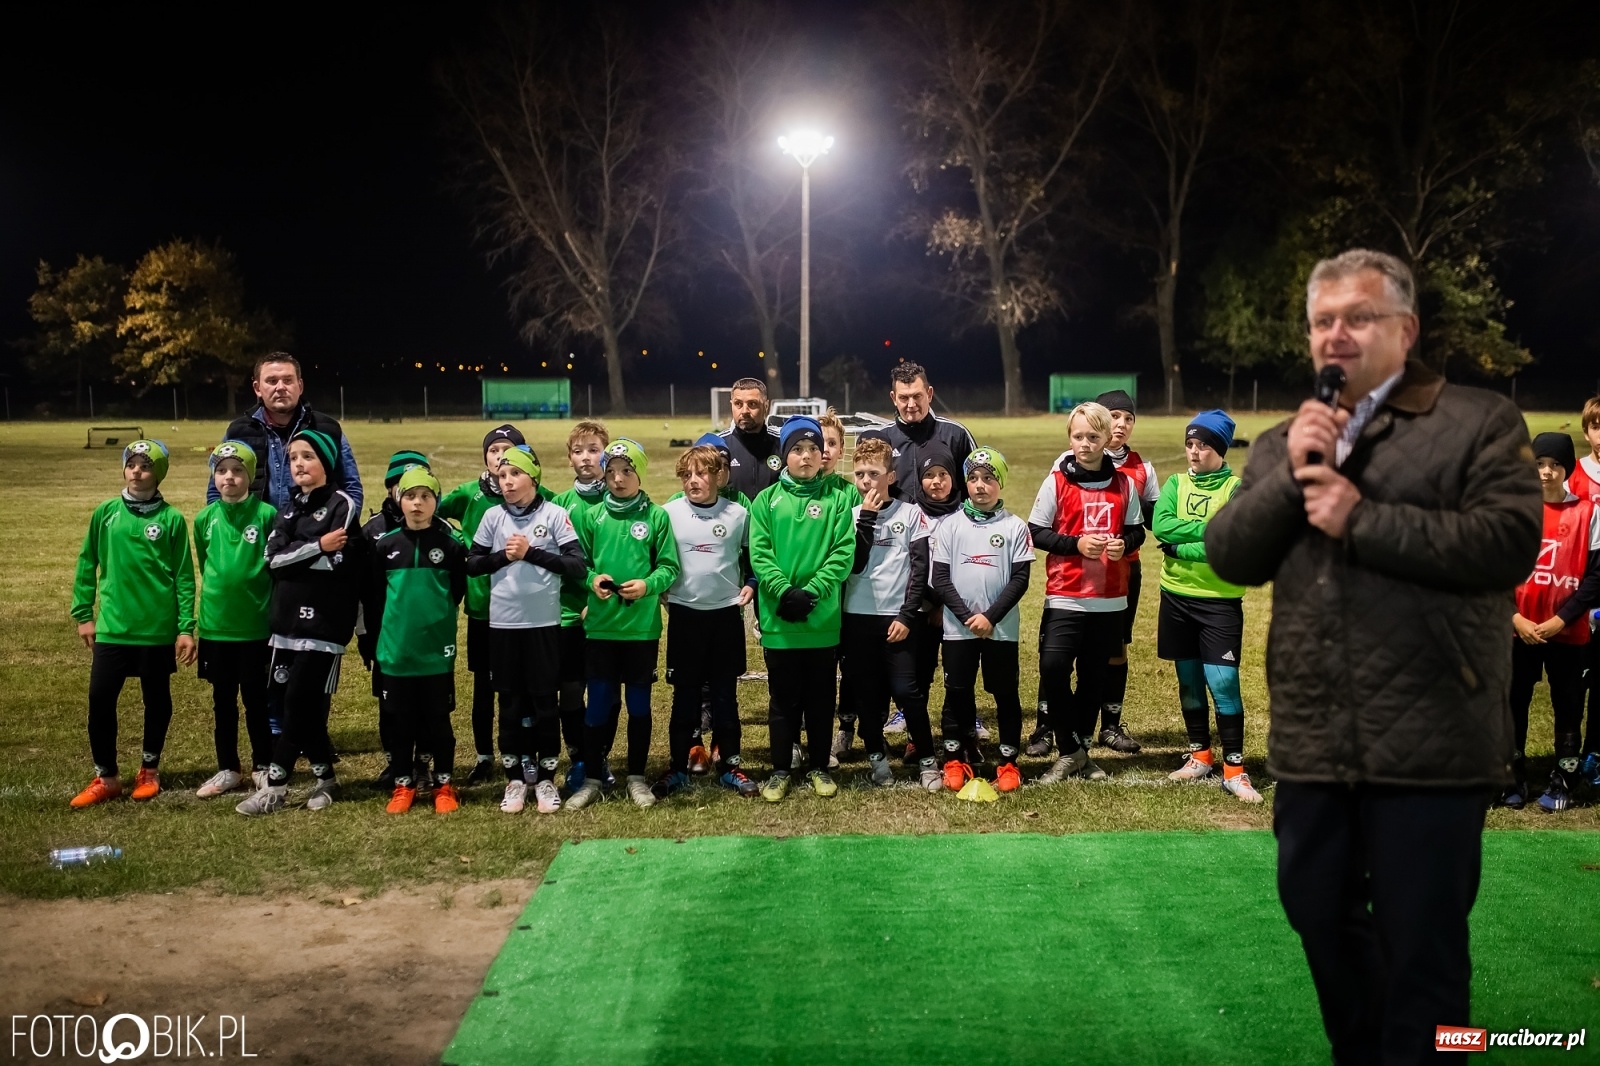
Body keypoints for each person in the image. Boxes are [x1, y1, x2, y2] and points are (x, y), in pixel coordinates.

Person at [1206, 248, 1542, 1062]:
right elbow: (1230, 554)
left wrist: (1364, 519)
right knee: (1317, 915)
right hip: (1316, 741)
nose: (1337, 335)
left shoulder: (1477, 421)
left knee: (1424, 951)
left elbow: (1508, 543)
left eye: (1358, 318)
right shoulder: (1288, 437)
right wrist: (1292, 475)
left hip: (1433, 739)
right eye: (1323, 321)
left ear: (1406, 329)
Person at [237, 429, 365, 816]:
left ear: (325, 462)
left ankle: (275, 786)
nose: (298, 464)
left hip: (322, 630)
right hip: (284, 626)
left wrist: (303, 556)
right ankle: (326, 778)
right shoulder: (288, 508)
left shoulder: (343, 504)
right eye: (293, 458)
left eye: (307, 456)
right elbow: (272, 560)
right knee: (287, 703)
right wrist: (316, 548)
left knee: (299, 702)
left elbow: (338, 563)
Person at [69, 440, 197, 807]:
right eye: (132, 464)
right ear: (124, 469)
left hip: (156, 629)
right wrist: (83, 614)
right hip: (113, 627)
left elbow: (184, 577)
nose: (138, 471)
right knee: (100, 699)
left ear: (159, 472)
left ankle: (149, 770)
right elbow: (86, 563)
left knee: (156, 700)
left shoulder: (171, 519)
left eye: (146, 465)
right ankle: (106, 777)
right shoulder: (105, 512)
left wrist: (185, 627)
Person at [1028, 402, 1145, 785]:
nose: (1084, 444)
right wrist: (1075, 545)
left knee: (1094, 678)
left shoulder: (1124, 484)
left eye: (1092, 437)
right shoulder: (1056, 481)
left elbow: (1137, 532)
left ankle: (1076, 754)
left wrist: (1122, 545)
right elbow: (1037, 531)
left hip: (1110, 598)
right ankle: (1072, 749)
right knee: (1054, 668)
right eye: (1077, 436)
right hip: (1065, 594)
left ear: (1105, 438)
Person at [465, 445, 584, 815]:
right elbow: (472, 564)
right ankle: (515, 779)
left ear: (533, 476)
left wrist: (531, 553)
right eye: (501, 476)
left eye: (514, 474)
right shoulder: (492, 518)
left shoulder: (555, 514)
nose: (507, 482)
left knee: (546, 703)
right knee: (511, 703)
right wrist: (505, 557)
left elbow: (576, 565)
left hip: (543, 625)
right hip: (502, 625)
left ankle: (546, 778)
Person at [1152, 411, 1261, 804]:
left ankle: (1235, 769)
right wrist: (1211, 530)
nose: (1194, 453)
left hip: (1219, 603)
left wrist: (1183, 546)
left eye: (1203, 446)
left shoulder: (1237, 488)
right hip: (1176, 597)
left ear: (1220, 449)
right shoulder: (1175, 483)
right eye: (1190, 444)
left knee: (1224, 682)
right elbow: (1160, 525)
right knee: (1190, 681)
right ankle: (1200, 755)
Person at [566, 439, 681, 810]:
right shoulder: (591, 516)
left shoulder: (656, 517)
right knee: (598, 705)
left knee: (639, 706)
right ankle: (593, 779)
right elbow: (578, 563)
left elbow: (669, 567)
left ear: (639, 473)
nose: (617, 479)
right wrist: (591, 580)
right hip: (601, 629)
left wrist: (648, 585)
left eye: (627, 471)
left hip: (640, 631)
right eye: (611, 471)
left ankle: (636, 778)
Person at [749, 416, 855, 801]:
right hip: (780, 618)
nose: (807, 456)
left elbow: (844, 552)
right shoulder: (766, 500)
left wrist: (811, 592)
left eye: (813, 449)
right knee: (782, 699)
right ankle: (780, 769)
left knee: (821, 697)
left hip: (821, 617)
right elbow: (760, 554)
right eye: (797, 449)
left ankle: (819, 767)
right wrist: (783, 592)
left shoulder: (837, 500)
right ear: (784, 457)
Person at [361, 467, 469, 815]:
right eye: (410, 496)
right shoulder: (385, 546)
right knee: (400, 721)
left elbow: (456, 592)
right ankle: (403, 785)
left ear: (436, 501)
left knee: (438, 721)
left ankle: (444, 785)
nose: (417, 503)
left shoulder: (451, 546)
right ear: (399, 499)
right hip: (396, 652)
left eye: (425, 496)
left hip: (435, 652)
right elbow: (376, 598)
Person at [1503, 432, 1600, 812]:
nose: (1546, 472)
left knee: (1568, 704)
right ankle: (1513, 778)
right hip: (1519, 629)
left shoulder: (1590, 512)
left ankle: (1563, 778)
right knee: (1513, 702)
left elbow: (1596, 577)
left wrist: (1562, 619)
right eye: (1539, 464)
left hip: (1568, 630)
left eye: (1555, 465)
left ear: (1567, 469)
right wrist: (1515, 617)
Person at [929, 448, 1034, 793]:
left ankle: (1007, 762)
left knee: (1005, 694)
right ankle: (954, 758)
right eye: (973, 479)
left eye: (989, 479)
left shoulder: (1015, 527)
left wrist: (989, 617)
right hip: (958, 630)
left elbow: (1020, 579)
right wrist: (967, 617)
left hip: (1000, 629)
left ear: (1000, 483)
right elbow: (941, 579)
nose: (980, 486)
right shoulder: (949, 526)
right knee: (956, 692)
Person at [659, 444, 759, 798]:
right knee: (684, 698)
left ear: (719, 476)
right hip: (685, 616)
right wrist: (659, 586)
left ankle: (730, 765)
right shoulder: (668, 514)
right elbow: (656, 559)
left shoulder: (736, 514)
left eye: (701, 473)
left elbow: (753, 557)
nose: (693, 481)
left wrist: (751, 584)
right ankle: (677, 766)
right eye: (687, 475)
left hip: (725, 616)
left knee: (724, 697)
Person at [840, 435, 939, 790]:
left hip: (897, 619)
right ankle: (878, 761)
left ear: (891, 477)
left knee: (907, 691)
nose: (866, 481)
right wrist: (865, 519)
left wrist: (907, 616)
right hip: (857, 619)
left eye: (874, 473)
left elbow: (919, 570)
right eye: (860, 474)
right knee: (866, 693)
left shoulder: (912, 515)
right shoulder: (849, 517)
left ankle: (928, 759)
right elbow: (853, 566)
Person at [439, 424, 527, 785]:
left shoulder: (536, 495)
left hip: (523, 610)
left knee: (519, 686)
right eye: (494, 450)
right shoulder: (468, 494)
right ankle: (484, 756)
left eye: (508, 449)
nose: (499, 456)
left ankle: (521, 751)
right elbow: (433, 513)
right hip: (482, 610)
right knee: (483, 688)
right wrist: (462, 538)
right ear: (485, 457)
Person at [192, 441, 277, 798]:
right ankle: (228, 767)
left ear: (250, 476)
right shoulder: (204, 518)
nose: (229, 477)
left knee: (257, 699)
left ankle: (262, 766)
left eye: (237, 470)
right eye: (222, 470)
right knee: (222, 700)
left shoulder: (268, 515)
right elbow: (205, 562)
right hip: (215, 627)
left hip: (256, 627)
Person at [208, 352, 362, 512]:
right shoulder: (238, 432)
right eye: (272, 381)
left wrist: (341, 527)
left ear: (300, 386)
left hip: (314, 532)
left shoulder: (326, 429)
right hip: (255, 534)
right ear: (257, 388)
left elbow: (351, 487)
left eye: (288, 380)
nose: (280, 387)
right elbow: (216, 488)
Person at [550, 420, 617, 785]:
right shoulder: (560, 505)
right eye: (579, 451)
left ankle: (601, 756)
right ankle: (579, 756)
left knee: (608, 691)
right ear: (570, 459)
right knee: (572, 691)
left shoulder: (624, 497)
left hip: (611, 615)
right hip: (570, 615)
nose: (587, 457)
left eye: (594, 450)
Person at [884, 444, 962, 752]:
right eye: (929, 475)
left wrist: (946, 605)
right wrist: (931, 604)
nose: (937, 481)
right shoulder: (912, 515)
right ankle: (918, 738)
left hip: (957, 610)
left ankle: (958, 732)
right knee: (920, 674)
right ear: (920, 480)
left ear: (954, 479)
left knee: (957, 676)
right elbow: (912, 565)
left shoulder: (964, 516)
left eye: (943, 474)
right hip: (922, 608)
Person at [363, 449, 433, 790]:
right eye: (400, 487)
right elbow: (364, 590)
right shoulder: (373, 531)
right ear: (391, 488)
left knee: (427, 707)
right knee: (390, 706)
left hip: (425, 639)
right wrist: (366, 635)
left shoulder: (441, 531)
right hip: (386, 636)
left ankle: (423, 764)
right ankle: (394, 763)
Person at [879, 361, 975, 503]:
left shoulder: (956, 435)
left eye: (917, 396)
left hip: (946, 523)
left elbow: (975, 486)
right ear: (894, 398)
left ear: (929, 394)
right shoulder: (882, 439)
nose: (911, 405)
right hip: (898, 524)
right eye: (904, 398)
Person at [1568, 398, 1600, 789]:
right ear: (1586, 429)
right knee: (1574, 682)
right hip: (1580, 597)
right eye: (1596, 426)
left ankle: (1594, 753)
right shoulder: (1573, 476)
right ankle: (1569, 753)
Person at [719, 377, 782, 501]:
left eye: (752, 404)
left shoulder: (782, 442)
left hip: (771, 520)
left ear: (766, 406)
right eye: (738, 404)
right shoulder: (718, 446)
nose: (744, 411)